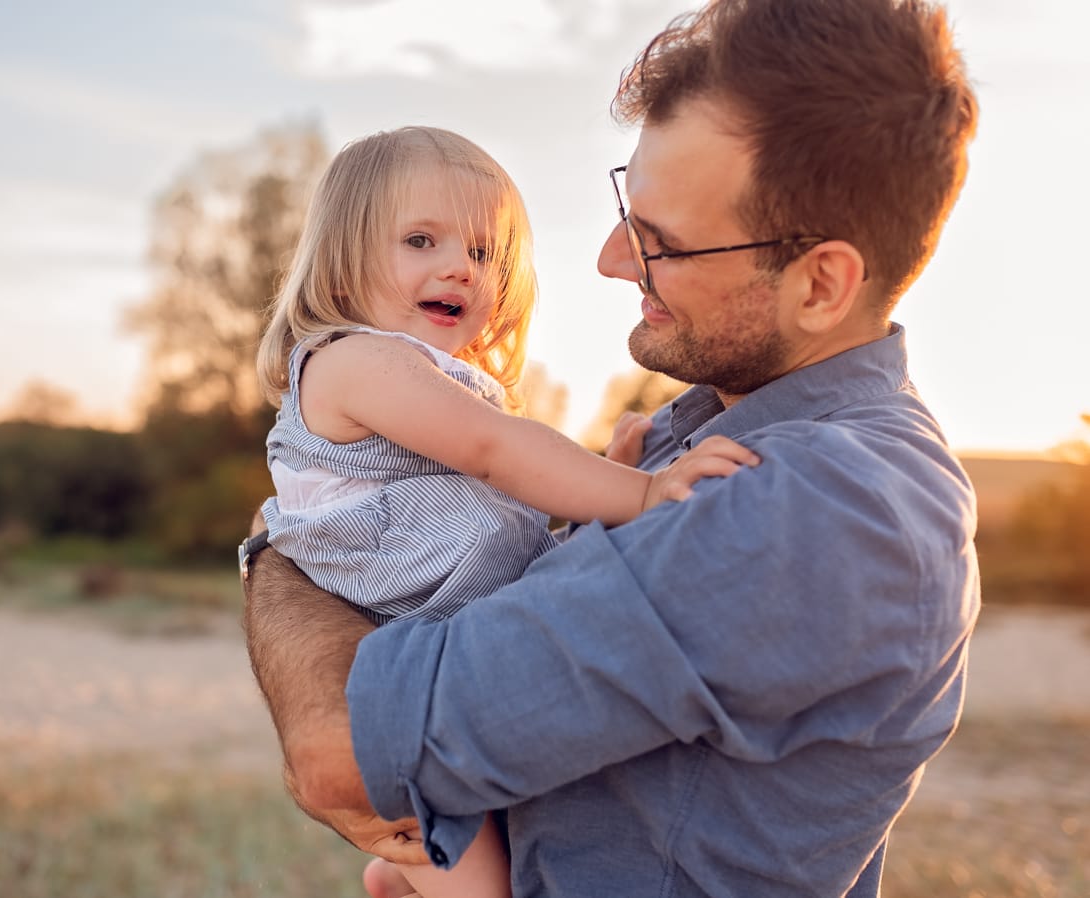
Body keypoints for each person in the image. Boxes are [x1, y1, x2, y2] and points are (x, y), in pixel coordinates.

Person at [242, 0, 981, 895]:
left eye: (658, 242)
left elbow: (346, 753)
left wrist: (277, 559)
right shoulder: (697, 431)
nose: (609, 260)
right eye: (625, 213)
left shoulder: (814, 504)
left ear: (821, 284)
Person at [252, 124, 757, 898]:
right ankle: (416, 871)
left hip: (444, 641)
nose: (459, 264)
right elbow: (497, 452)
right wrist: (643, 492)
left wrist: (597, 497)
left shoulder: (430, 378)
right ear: (343, 270)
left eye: (484, 252)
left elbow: (491, 522)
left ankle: (407, 877)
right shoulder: (355, 361)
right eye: (420, 239)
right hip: (402, 665)